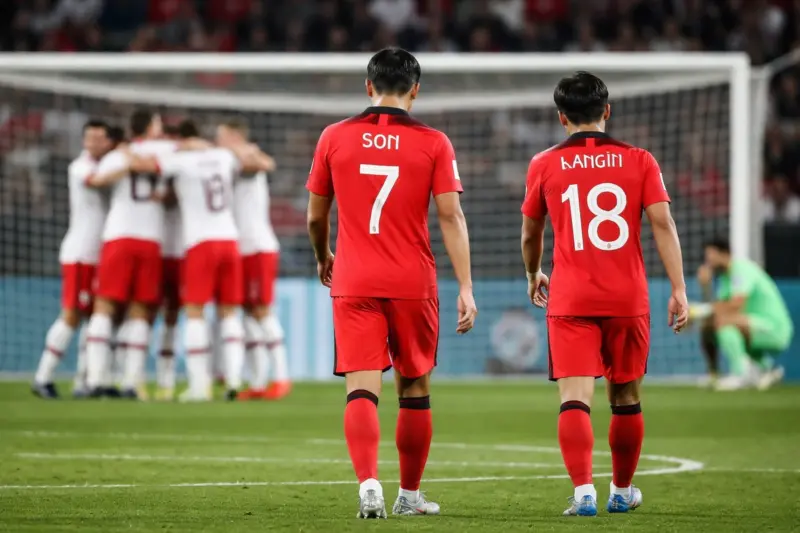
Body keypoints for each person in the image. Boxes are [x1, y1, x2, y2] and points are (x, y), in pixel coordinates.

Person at [306, 48, 477, 520]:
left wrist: (324, 258)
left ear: (368, 86)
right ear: (415, 90)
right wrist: (465, 284)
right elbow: (450, 214)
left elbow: (316, 215)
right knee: (414, 388)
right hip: (411, 279)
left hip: (355, 276)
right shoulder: (434, 142)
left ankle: (367, 485)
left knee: (361, 388)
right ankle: (409, 495)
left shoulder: (333, 136)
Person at [521, 71, 688, 517]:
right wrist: (678, 288)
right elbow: (663, 225)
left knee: (574, 398)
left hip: (571, 297)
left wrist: (534, 271)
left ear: (561, 118)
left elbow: (531, 230)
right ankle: (621, 490)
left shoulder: (543, 163)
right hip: (626, 297)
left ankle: (583, 494)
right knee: (626, 398)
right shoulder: (640, 160)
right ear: (607, 112)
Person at [128, 120, 274, 401]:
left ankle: (199, 386)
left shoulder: (180, 161)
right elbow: (252, 161)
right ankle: (233, 379)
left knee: (194, 312)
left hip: (199, 243)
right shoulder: (222, 156)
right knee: (229, 313)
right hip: (230, 241)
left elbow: (144, 166)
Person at [83, 109, 176, 399]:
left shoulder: (118, 154)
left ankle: (96, 379)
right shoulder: (166, 151)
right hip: (150, 238)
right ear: (150, 126)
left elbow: (96, 179)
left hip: (119, 235)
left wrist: (126, 158)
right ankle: (130, 382)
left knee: (105, 307)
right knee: (140, 311)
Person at [31, 120, 114, 399]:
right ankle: (43, 377)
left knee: (93, 318)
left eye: (100, 138)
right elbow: (97, 180)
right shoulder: (80, 166)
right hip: (80, 253)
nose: (95, 143)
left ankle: (83, 381)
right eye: (90, 138)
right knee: (71, 315)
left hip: (97, 253)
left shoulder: (106, 164)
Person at [215, 120, 289, 401]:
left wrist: (243, 151)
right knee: (247, 314)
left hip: (257, 245)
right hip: (238, 247)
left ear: (235, 136)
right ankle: (258, 382)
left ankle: (281, 377)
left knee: (261, 310)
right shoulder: (224, 161)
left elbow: (265, 163)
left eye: (221, 137)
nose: (217, 142)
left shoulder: (249, 155)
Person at [691, 238, 792, 391]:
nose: (708, 261)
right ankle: (764, 369)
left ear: (724, 254)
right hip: (751, 325)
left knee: (723, 322)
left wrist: (699, 311)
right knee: (708, 325)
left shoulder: (741, 270)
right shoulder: (725, 278)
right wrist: (706, 288)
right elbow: (718, 309)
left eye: (710, 256)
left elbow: (736, 305)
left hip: (774, 329)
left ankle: (740, 375)